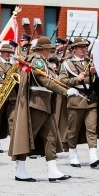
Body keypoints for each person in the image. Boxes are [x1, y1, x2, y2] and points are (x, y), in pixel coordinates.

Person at [8, 37, 71, 183]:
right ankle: (20, 169)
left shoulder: (42, 61)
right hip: (37, 103)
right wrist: (65, 91)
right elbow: (45, 81)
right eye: (49, 49)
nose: (50, 52)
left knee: (51, 137)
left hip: (45, 104)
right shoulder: (37, 60)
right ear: (46, 49)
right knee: (27, 137)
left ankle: (53, 170)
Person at [58, 37, 99, 168]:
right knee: (73, 131)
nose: (84, 50)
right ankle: (73, 156)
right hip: (75, 100)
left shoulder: (90, 62)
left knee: (92, 129)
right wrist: (76, 79)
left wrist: (95, 73)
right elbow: (62, 81)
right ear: (74, 49)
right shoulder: (67, 64)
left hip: (91, 100)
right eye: (81, 47)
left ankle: (93, 157)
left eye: (85, 47)